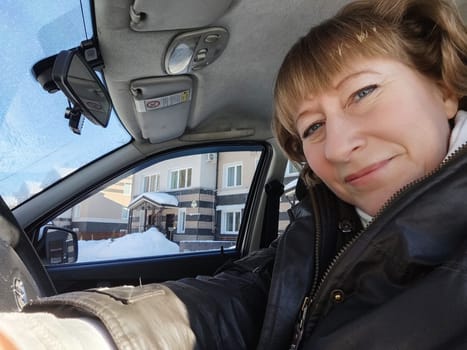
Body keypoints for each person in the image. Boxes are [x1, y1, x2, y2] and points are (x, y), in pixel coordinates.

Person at [2, 0, 467, 348]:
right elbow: (252, 295)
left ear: (445, 89)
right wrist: (87, 335)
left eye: (363, 92)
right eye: (313, 127)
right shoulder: (330, 227)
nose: (341, 146)